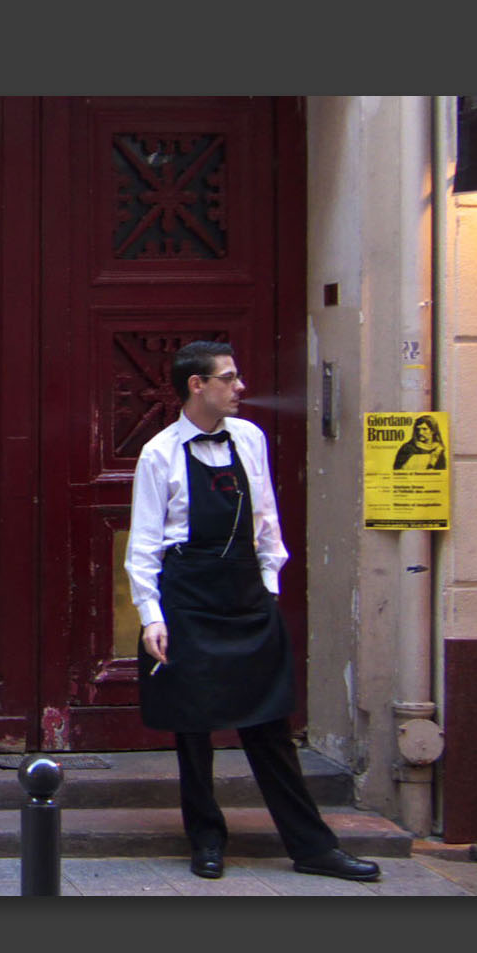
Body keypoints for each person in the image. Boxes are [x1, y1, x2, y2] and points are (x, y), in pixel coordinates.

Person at [125, 341, 380, 882]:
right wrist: (152, 615)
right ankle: (206, 840)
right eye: (230, 377)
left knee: (269, 724)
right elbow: (144, 544)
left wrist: (268, 587)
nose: (240, 386)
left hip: (245, 597)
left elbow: (266, 518)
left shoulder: (250, 438)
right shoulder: (159, 453)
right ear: (197, 385)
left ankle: (312, 847)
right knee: (192, 729)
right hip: (188, 598)